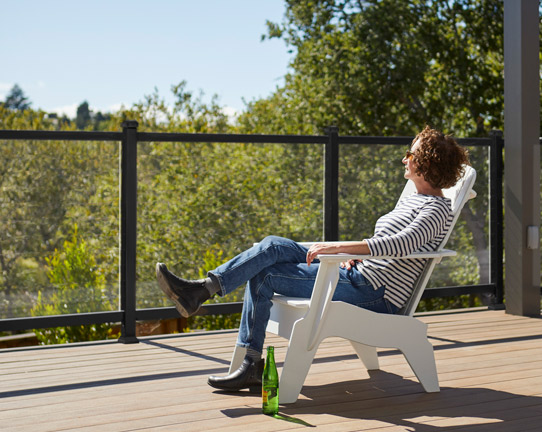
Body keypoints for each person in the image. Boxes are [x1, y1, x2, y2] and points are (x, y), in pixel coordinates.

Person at [156, 126, 470, 393]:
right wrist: (352, 258)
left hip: (374, 295)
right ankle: (203, 289)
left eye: (411, 155)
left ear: (426, 164)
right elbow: (383, 248)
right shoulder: (415, 201)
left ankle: (243, 350)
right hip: (358, 276)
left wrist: (339, 250)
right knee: (272, 245)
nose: (405, 159)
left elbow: (399, 245)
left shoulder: (436, 210)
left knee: (263, 275)